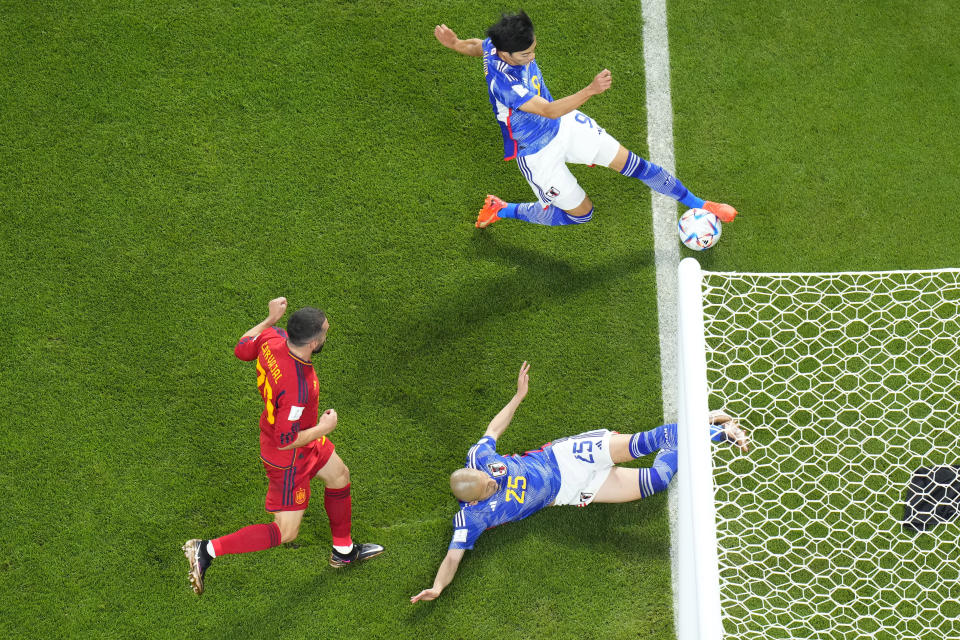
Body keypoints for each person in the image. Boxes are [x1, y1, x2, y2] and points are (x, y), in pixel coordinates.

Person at [410, 361, 747, 602]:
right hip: (571, 491)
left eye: (489, 477)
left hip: (567, 456)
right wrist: (438, 587)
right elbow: (453, 556)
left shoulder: (481, 459)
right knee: (656, 481)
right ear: (473, 501)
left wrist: (517, 397)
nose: (493, 481)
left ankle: (718, 432)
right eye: (489, 488)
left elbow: (493, 430)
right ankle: (700, 429)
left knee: (643, 442)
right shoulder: (472, 518)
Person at [433, 11, 739, 229]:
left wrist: (456, 43)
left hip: (565, 126)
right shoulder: (505, 84)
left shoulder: (497, 47)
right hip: (537, 154)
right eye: (525, 55)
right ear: (506, 54)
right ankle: (502, 209)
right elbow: (549, 110)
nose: (532, 57)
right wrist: (591, 90)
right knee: (581, 215)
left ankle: (701, 204)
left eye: (533, 49)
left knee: (635, 164)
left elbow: (480, 47)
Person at [183, 297, 383, 596]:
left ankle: (343, 550)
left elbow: (242, 349)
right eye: (325, 332)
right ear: (314, 342)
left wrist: (268, 319)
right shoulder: (299, 386)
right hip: (289, 460)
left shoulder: (272, 337)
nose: (327, 334)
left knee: (339, 475)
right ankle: (207, 550)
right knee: (286, 532)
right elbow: (286, 440)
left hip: (304, 444)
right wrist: (324, 428)